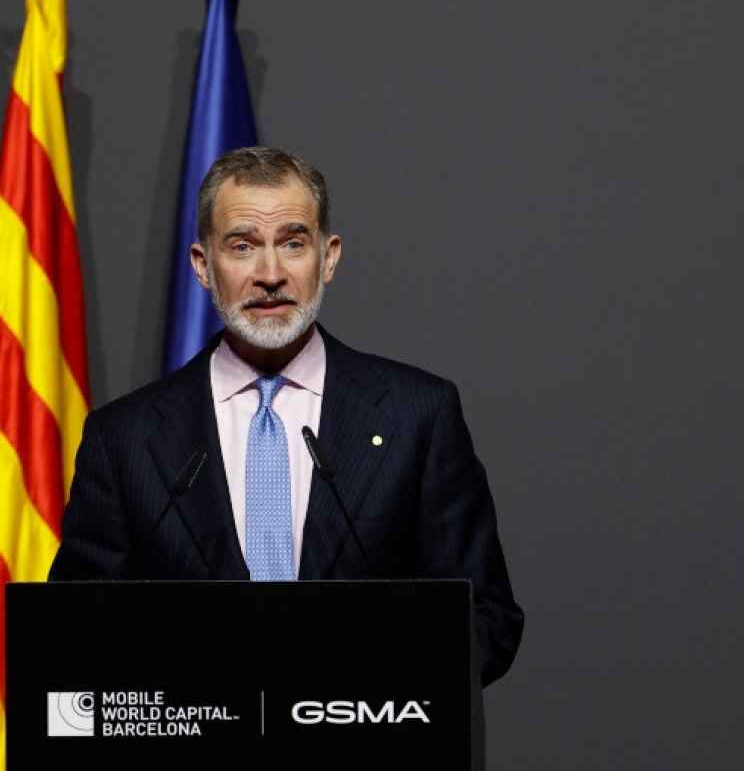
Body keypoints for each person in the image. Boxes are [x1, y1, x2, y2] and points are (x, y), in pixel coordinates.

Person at [49, 146, 524, 686]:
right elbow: (74, 634)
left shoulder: (417, 416)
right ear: (203, 266)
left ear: (329, 258)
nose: (270, 274)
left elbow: (486, 621)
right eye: (242, 246)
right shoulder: (125, 439)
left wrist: (353, 702)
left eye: (293, 243)